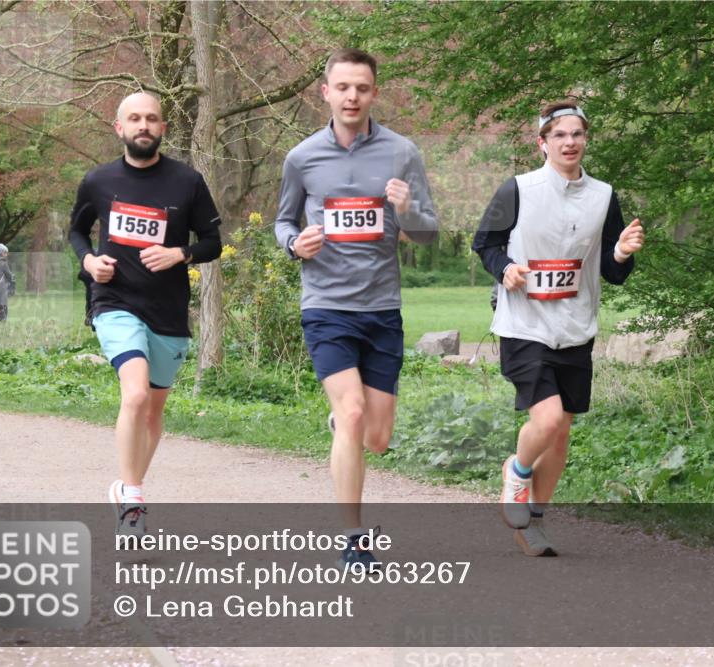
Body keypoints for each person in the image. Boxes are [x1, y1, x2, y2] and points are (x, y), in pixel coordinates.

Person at [274, 48, 438, 569]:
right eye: (342, 87)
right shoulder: (302, 158)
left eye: (362, 88)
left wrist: (407, 210)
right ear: (325, 92)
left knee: (378, 437)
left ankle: (344, 425)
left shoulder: (401, 152)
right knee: (351, 414)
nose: (352, 97)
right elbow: (282, 222)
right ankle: (354, 537)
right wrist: (294, 244)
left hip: (382, 307)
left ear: (374, 93)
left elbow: (429, 236)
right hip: (325, 305)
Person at [472, 102, 645, 556]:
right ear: (542, 142)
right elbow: (484, 242)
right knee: (546, 420)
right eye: (559, 135)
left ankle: (535, 523)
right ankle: (518, 471)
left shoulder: (604, 195)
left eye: (577, 134)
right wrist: (505, 267)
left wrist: (623, 252)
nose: (570, 142)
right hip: (524, 323)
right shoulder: (518, 189)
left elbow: (612, 270)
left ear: (586, 139)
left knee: (562, 430)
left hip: (575, 326)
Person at [69, 92, 222, 537]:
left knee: (153, 411)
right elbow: (77, 231)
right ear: (119, 127)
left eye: (151, 119)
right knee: (134, 395)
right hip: (114, 301)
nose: (143, 125)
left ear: (163, 129)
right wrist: (88, 262)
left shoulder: (187, 181)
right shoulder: (98, 181)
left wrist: (180, 253)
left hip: (168, 312)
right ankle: (133, 501)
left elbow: (211, 242)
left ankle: (127, 486)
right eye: (134, 118)